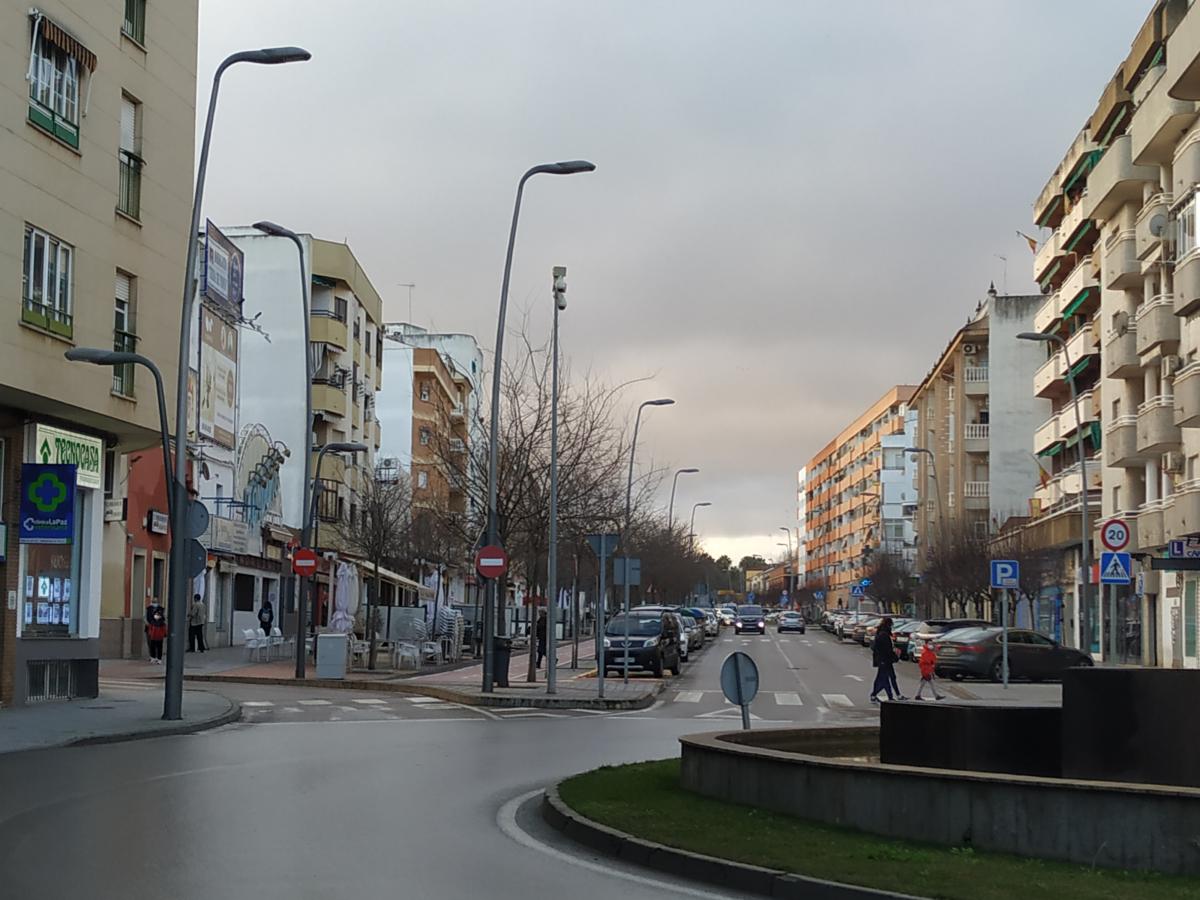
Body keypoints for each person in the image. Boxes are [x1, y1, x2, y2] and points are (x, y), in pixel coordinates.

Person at [869, 617, 897, 703]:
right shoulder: (883, 635)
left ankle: (874, 695)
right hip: (884, 660)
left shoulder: (881, 633)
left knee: (881, 678)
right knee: (885, 679)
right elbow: (885, 649)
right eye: (891, 625)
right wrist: (893, 656)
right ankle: (889, 696)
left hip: (883, 660)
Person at [145, 599, 167, 664]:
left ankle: (158, 657)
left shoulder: (161, 610)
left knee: (158, 645)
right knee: (152, 644)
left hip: (158, 633)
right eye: (153, 602)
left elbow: (165, 620)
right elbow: (145, 618)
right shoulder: (148, 609)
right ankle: (153, 657)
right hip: (152, 632)